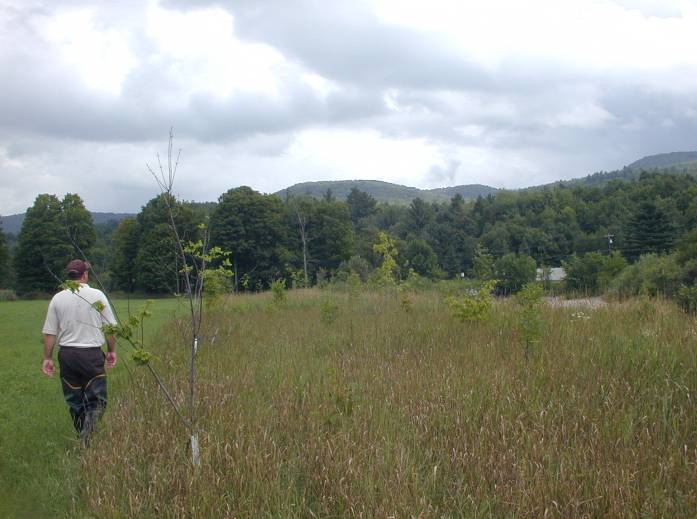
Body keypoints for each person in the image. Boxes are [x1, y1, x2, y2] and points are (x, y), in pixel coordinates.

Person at [41, 259, 117, 443]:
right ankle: (87, 438)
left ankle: (83, 438)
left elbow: (50, 332)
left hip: (67, 356)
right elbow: (110, 328)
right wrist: (111, 350)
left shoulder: (58, 298)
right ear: (85, 275)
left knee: (75, 401)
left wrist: (48, 358)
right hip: (91, 355)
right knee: (97, 401)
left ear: (70, 276)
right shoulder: (97, 295)